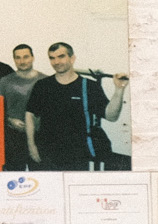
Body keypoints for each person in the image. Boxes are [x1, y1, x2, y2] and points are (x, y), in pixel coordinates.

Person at [25, 43, 126, 171]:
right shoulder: (42, 86)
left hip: (79, 155)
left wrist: (119, 89)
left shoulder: (89, 86)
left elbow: (111, 116)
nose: (56, 62)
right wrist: (31, 146)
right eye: (52, 58)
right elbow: (30, 114)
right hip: (47, 153)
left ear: (72, 58)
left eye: (61, 56)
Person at [0, 45, 42, 171]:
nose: (22, 61)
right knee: (14, 179)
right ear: (14, 60)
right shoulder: (5, 82)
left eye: (26, 57)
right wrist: (10, 120)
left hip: (39, 136)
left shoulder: (45, 81)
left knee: (41, 177)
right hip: (13, 138)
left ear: (32, 57)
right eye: (18, 58)